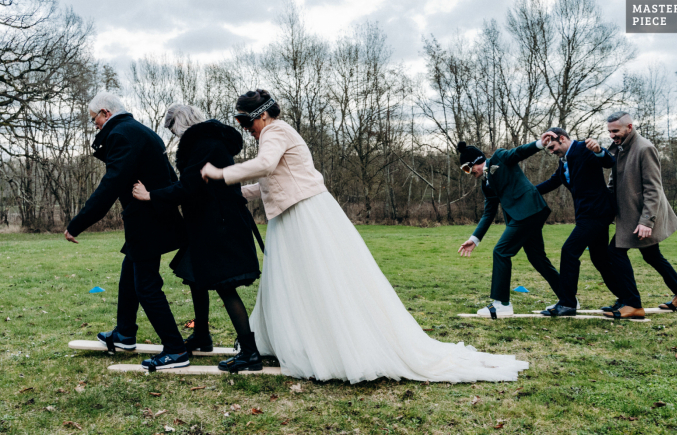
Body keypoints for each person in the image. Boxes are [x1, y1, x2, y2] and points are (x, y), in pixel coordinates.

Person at [200, 89, 528, 383]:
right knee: (293, 281)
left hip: (303, 216)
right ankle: (285, 342)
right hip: (294, 214)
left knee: (313, 278)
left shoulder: (275, 130)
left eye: (246, 121)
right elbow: (276, 179)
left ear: (261, 115)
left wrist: (221, 174)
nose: (246, 128)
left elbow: (267, 164)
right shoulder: (277, 132)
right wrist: (238, 192)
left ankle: (325, 345)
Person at [132, 104, 263, 373]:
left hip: (219, 225)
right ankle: (202, 336)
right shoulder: (207, 141)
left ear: (179, 124)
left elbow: (190, 186)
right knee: (194, 274)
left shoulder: (205, 143)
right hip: (209, 223)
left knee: (225, 286)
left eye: (173, 130)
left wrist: (151, 195)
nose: (175, 136)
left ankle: (250, 353)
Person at [64, 92, 189, 371]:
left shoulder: (122, 135)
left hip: (148, 221)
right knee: (128, 274)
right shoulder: (139, 131)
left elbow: (111, 185)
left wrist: (78, 223)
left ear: (105, 113)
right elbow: (168, 177)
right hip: (152, 218)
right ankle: (125, 334)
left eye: (93, 118)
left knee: (146, 285)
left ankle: (175, 349)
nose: (93, 125)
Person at [603, 111, 677, 320]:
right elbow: (613, 180)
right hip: (629, 214)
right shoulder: (619, 147)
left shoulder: (645, 148)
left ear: (630, 127)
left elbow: (653, 189)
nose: (612, 135)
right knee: (652, 256)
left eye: (615, 131)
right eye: (609, 131)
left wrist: (647, 221)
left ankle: (632, 304)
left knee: (615, 253)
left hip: (641, 216)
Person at [457, 140, 560, 318]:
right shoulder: (486, 184)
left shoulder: (499, 158)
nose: (469, 173)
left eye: (468, 168)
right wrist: (474, 239)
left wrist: (540, 143)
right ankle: (568, 297)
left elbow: (519, 152)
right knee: (537, 258)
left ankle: (502, 304)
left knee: (501, 252)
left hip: (529, 210)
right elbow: (488, 214)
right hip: (526, 215)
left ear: (476, 162)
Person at [535, 128, 618, 317]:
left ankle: (567, 303)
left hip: (596, 213)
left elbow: (608, 161)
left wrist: (598, 150)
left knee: (569, 251)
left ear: (562, 138)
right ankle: (626, 298)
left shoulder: (584, 148)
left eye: (553, 146)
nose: (551, 151)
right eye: (548, 149)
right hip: (587, 214)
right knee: (600, 258)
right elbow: (553, 181)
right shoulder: (564, 161)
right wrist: (525, 193)